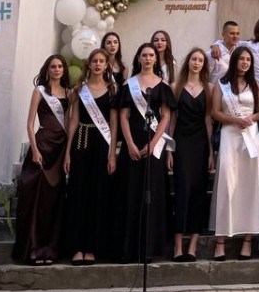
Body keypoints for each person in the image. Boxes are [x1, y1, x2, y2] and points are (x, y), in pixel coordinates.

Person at [117, 42, 176, 262]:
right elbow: (123, 116)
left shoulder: (163, 86)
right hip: (132, 142)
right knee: (130, 193)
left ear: (156, 59)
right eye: (144, 55)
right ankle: (128, 248)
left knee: (152, 194)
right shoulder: (129, 84)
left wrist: (153, 143)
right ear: (139, 58)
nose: (148, 58)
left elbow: (166, 116)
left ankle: (148, 248)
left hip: (155, 145)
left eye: (151, 55)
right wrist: (129, 144)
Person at [209, 45, 259, 259]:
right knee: (227, 183)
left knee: (251, 184)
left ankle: (247, 241)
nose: (245, 63)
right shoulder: (222, 84)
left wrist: (250, 118)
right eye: (241, 59)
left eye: (248, 60)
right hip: (230, 135)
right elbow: (215, 112)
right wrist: (234, 119)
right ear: (235, 60)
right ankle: (220, 241)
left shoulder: (255, 84)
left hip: (250, 137)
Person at [13, 54, 69, 265]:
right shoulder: (40, 91)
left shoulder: (69, 92)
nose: (57, 69)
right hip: (42, 146)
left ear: (64, 70)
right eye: (53, 66)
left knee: (53, 201)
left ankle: (50, 250)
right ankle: (33, 250)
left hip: (60, 149)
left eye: (60, 66)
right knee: (35, 199)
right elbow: (30, 124)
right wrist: (35, 150)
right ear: (47, 69)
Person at [63, 48, 117, 264]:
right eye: (94, 61)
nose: (97, 64)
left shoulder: (112, 90)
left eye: (101, 61)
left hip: (102, 145)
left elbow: (113, 124)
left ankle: (92, 247)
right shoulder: (80, 90)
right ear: (89, 64)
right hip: (81, 143)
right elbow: (74, 121)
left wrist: (112, 155)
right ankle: (77, 247)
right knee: (79, 193)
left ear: (106, 65)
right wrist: (67, 152)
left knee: (97, 194)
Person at [171, 47, 213, 262]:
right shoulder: (175, 87)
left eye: (200, 60)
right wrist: (169, 150)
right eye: (194, 59)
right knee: (182, 190)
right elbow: (171, 120)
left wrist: (211, 152)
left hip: (200, 144)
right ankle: (178, 244)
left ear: (204, 65)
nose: (196, 63)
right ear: (188, 62)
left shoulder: (210, 88)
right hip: (181, 142)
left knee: (198, 191)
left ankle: (193, 245)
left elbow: (208, 120)